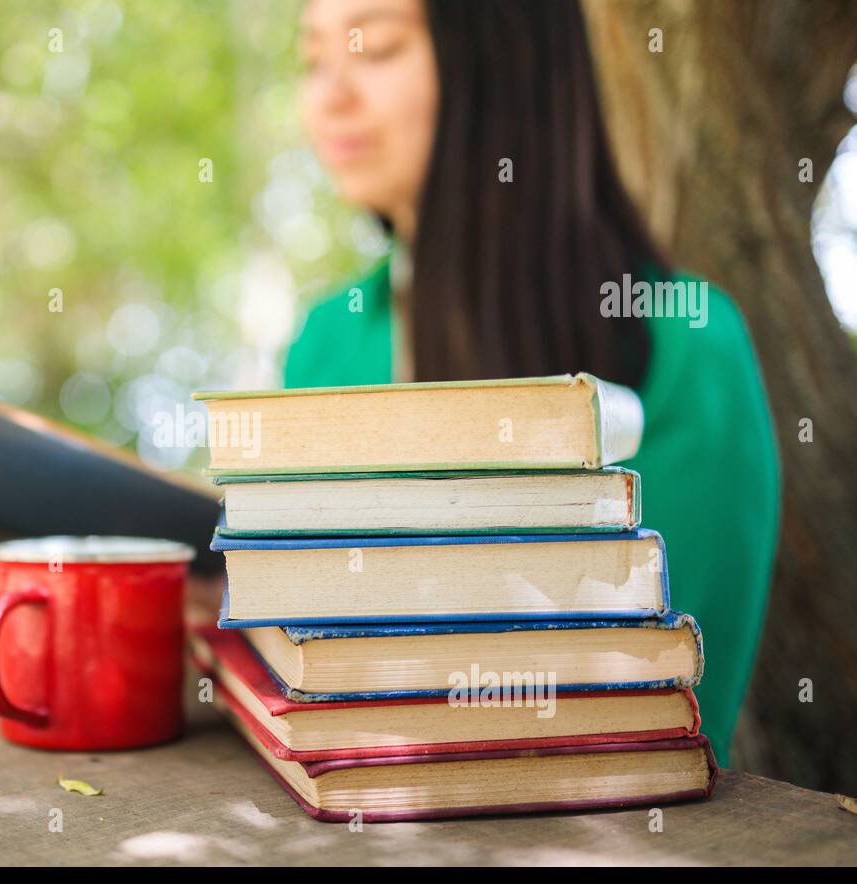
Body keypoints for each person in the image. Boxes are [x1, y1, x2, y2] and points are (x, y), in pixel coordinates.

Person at [286, 0, 780, 766]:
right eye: (313, 58)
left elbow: (652, 714)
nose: (328, 95)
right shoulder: (326, 343)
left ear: (506, 61)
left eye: (376, 49)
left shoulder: (687, 346)